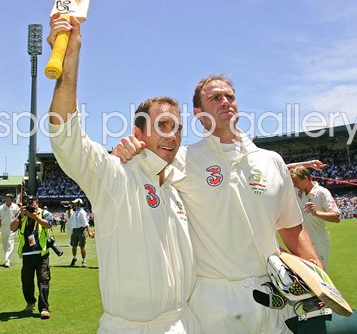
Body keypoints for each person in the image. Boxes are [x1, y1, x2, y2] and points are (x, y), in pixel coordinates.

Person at [114, 75, 322, 333]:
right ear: (200, 115)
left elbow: (292, 228)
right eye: (215, 98)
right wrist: (125, 151)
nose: (225, 102)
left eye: (230, 97)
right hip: (213, 302)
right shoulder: (182, 159)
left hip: (275, 296)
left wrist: (320, 278)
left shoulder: (272, 161)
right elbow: (139, 171)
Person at [48, 13, 199, 334]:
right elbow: (64, 133)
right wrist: (69, 61)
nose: (172, 136)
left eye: (178, 129)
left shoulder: (179, 187)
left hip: (182, 323)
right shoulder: (114, 176)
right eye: (163, 126)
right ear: (138, 132)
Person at [10, 195, 54, 319]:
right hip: (27, 253)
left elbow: (48, 225)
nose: (30, 204)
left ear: (37, 203)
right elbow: (12, 227)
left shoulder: (44, 213)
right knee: (26, 281)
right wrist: (20, 216)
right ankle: (30, 302)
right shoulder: (22, 214)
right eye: (28, 202)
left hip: (41, 253)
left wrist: (35, 217)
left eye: (32, 202)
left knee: (44, 280)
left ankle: (44, 308)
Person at [290, 165, 340, 268]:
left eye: (296, 182)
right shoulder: (298, 191)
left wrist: (316, 213)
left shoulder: (322, 192)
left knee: (320, 276)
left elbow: (336, 217)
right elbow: (282, 167)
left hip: (319, 243)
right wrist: (309, 163)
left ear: (306, 178)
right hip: (303, 243)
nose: (295, 185)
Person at [0, 193, 21, 268]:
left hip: (12, 227)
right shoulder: (2, 207)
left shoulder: (15, 207)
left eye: (8, 197)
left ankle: (7, 260)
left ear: (12, 199)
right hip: (4, 227)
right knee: (5, 244)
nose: (7, 199)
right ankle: (7, 259)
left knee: (10, 242)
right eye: (6, 197)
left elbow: (20, 216)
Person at [68, 198, 94, 267]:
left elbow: (86, 223)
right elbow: (70, 217)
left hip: (80, 230)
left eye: (75, 203)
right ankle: (74, 258)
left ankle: (83, 261)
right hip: (74, 230)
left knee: (82, 246)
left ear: (79, 203)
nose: (74, 204)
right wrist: (69, 209)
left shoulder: (82, 212)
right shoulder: (75, 212)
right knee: (74, 246)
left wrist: (89, 232)